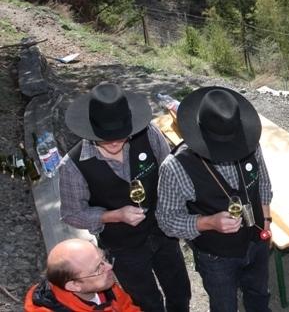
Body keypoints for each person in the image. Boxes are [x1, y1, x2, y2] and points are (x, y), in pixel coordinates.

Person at [59, 83, 191, 312]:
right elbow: (72, 214)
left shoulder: (148, 134)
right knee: (146, 302)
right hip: (123, 247)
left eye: (121, 135)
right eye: (105, 137)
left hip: (162, 232)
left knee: (179, 291)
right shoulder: (72, 165)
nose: (114, 142)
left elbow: (169, 172)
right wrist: (114, 216)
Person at [156, 86, 273, 312]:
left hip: (256, 239)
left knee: (259, 294)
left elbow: (264, 185)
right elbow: (166, 221)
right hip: (217, 257)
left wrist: (266, 220)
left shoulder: (249, 142)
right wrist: (208, 222)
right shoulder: (175, 167)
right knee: (224, 306)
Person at [24, 238, 141, 311]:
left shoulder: (105, 285)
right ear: (74, 285)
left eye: (104, 258)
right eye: (98, 268)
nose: (109, 267)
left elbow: (127, 307)